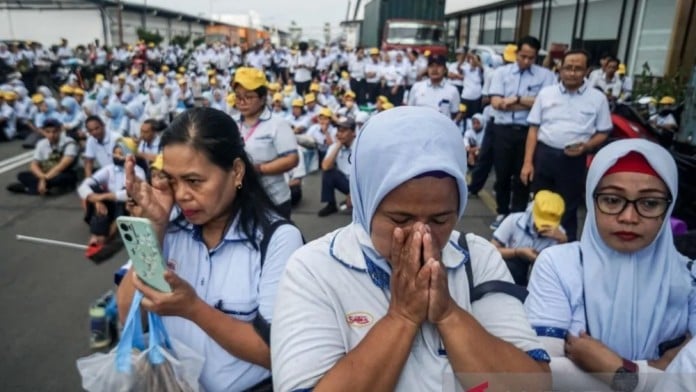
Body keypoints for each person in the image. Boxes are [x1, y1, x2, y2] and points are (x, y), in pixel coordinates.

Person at [271, 106, 551, 391]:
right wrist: (401, 317)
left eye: (441, 219)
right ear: (366, 203)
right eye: (400, 219)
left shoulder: (476, 258)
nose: (421, 234)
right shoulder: (314, 269)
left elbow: (533, 385)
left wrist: (449, 314)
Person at [118, 107, 304, 391]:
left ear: (237, 171)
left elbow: (274, 353)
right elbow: (127, 313)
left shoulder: (277, 240)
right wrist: (154, 228)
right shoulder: (170, 229)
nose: (181, 195)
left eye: (194, 181)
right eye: (172, 180)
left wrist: (193, 309)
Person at [525, 139, 696, 391]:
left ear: (668, 208)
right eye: (612, 200)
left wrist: (615, 370)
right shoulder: (559, 265)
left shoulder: (690, 278)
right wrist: (662, 368)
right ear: (591, 199)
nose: (629, 217)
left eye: (649, 203)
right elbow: (541, 373)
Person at [520, 49, 612, 241]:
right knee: (540, 202)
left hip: (574, 159)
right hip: (545, 155)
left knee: (569, 207)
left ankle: (566, 249)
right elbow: (533, 130)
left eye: (578, 68)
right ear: (560, 69)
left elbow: (603, 132)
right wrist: (528, 163)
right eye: (568, 67)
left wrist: (586, 147)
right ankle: (535, 246)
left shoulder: (597, 98)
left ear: (587, 71)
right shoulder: (546, 94)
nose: (572, 72)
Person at [488, 36, 556, 230]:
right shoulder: (502, 73)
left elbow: (544, 104)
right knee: (502, 174)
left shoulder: (545, 76)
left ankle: (517, 215)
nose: (526, 61)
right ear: (517, 53)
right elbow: (496, 103)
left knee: (524, 175)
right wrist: (528, 103)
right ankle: (502, 212)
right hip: (502, 131)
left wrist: (515, 99)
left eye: (531, 57)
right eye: (523, 56)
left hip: (529, 132)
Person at [232, 67, 299, 219]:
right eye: (238, 97)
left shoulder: (277, 124)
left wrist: (258, 169)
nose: (242, 102)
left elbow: (291, 159)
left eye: (248, 97)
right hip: (240, 200)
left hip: (273, 199)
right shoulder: (232, 123)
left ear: (263, 98)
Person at [78, 137, 145, 255]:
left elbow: (130, 194)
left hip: (125, 205)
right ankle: (96, 233)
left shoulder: (138, 172)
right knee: (92, 191)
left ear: (129, 155)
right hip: (109, 203)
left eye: (120, 153)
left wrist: (104, 197)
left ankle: (108, 236)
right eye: (115, 152)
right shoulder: (109, 169)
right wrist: (96, 200)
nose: (116, 156)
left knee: (125, 199)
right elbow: (84, 186)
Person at [491, 190, 567, 286]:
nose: (545, 227)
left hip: (541, 272)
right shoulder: (513, 220)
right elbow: (492, 250)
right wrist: (517, 252)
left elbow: (561, 269)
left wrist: (563, 242)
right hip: (513, 267)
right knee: (512, 267)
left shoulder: (559, 234)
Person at [6, 119, 78, 195]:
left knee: (61, 178)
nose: (51, 135)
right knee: (21, 175)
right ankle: (47, 189)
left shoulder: (69, 143)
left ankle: (27, 189)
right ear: (43, 132)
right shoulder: (41, 143)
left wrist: (44, 179)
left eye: (55, 131)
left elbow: (62, 166)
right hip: (45, 172)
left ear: (60, 131)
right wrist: (42, 177)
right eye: (48, 132)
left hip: (62, 172)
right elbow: (34, 165)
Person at [317, 116, 356, 217]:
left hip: (361, 184)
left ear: (353, 132)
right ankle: (331, 204)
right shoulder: (335, 146)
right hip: (346, 181)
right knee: (328, 173)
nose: (339, 133)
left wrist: (354, 193)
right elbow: (325, 166)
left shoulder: (360, 146)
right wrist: (338, 145)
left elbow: (367, 175)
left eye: (343, 130)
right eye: (338, 130)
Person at [407, 54, 460, 118]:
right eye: (431, 66)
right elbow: (410, 110)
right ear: (427, 69)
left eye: (439, 66)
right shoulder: (417, 87)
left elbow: (454, 113)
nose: (434, 69)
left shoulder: (452, 90)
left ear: (445, 70)